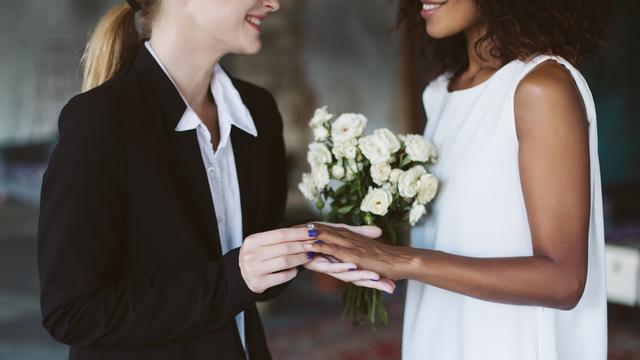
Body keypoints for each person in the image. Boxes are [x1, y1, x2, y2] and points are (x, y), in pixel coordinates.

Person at [37, 1, 392, 359]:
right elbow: (72, 313)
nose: (273, 3)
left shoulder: (258, 110)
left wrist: (307, 243)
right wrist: (236, 278)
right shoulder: (100, 121)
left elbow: (251, 279)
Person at [306, 0, 610, 358]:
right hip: (440, 332)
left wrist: (401, 260)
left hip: (511, 343)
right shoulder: (440, 93)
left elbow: (564, 281)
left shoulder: (540, 87)